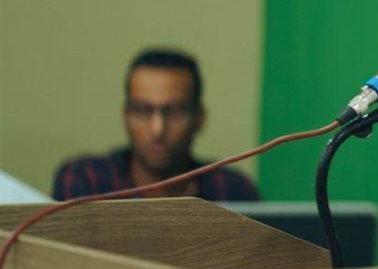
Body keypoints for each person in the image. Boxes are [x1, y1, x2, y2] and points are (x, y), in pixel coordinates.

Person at [52, 48, 259, 202]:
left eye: (174, 112)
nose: (157, 129)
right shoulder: (88, 180)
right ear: (126, 116)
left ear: (199, 118)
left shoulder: (231, 190)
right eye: (143, 111)